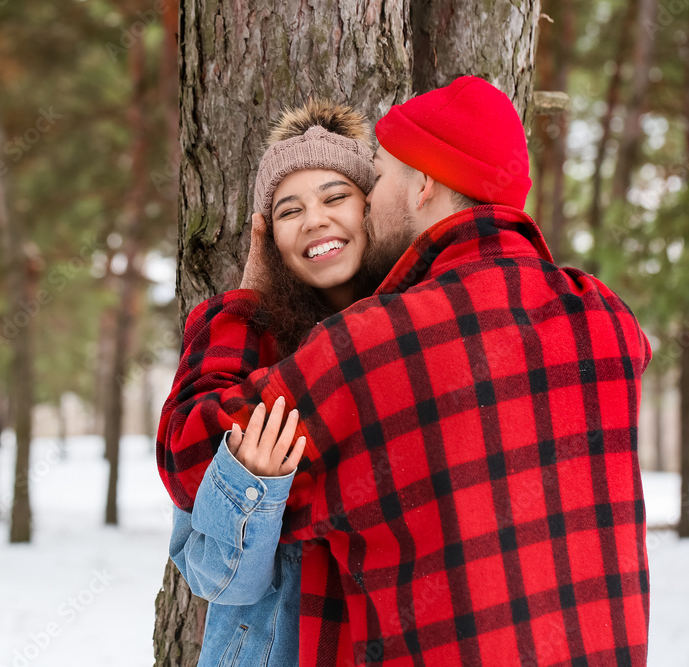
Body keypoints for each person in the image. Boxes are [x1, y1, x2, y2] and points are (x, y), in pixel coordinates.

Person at [159, 75, 652, 665]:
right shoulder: (606, 318)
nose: (362, 201)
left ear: (423, 185)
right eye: (292, 208)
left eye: (379, 176)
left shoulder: (372, 347)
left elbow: (190, 446)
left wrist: (239, 305)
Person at [165, 100, 380, 666]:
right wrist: (251, 486)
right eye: (290, 211)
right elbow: (215, 578)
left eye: (336, 197)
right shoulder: (243, 358)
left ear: (372, 208)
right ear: (271, 238)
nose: (316, 220)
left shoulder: (416, 335)